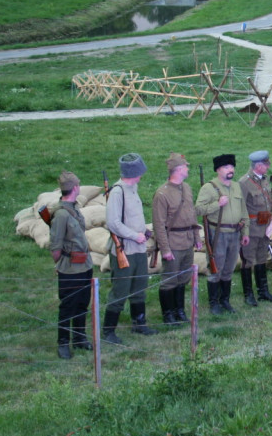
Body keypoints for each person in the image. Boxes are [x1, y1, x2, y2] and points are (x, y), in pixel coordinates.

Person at [103, 153, 156, 345]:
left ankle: (139, 323)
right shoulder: (118, 192)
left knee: (139, 286)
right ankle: (108, 331)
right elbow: (113, 223)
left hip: (138, 249)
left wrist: (144, 232)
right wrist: (135, 235)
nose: (142, 175)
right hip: (125, 249)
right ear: (134, 172)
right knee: (121, 290)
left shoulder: (133, 188)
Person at [195, 154, 251, 315]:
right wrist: (217, 204)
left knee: (229, 268)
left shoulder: (236, 186)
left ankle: (224, 300)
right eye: (226, 167)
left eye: (232, 167)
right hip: (218, 233)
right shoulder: (209, 188)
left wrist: (245, 232)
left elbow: (244, 210)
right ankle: (214, 303)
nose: (230, 170)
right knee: (215, 269)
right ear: (218, 170)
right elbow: (198, 209)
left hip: (235, 233)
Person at [151, 153, 202, 326]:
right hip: (173, 242)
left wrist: (196, 237)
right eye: (186, 166)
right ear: (179, 170)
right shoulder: (162, 194)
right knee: (169, 280)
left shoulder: (186, 188)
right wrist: (165, 249)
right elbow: (159, 224)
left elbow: (191, 214)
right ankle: (168, 314)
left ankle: (179, 310)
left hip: (187, 240)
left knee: (183, 278)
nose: (188, 168)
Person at [49, 171, 94, 359]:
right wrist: (60, 264)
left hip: (84, 264)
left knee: (83, 303)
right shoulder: (60, 214)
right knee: (68, 305)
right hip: (70, 267)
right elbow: (55, 246)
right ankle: (63, 343)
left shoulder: (73, 209)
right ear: (75, 188)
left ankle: (79, 337)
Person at [239, 151, 272, 304]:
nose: (268, 166)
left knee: (261, 259)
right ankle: (248, 295)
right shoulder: (244, 183)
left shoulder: (264, 180)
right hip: (251, 228)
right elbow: (240, 208)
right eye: (266, 164)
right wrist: (243, 231)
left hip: (264, 227)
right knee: (248, 261)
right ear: (258, 166)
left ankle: (263, 292)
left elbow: (267, 202)